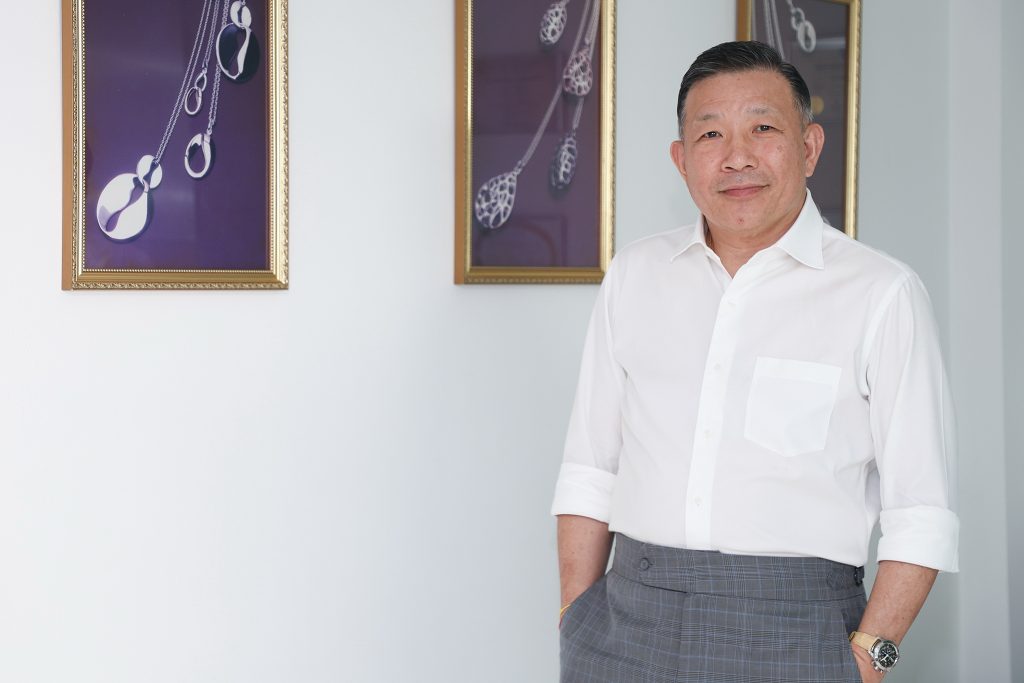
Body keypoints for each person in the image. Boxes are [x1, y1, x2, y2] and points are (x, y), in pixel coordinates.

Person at [551, 41, 958, 683]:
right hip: (624, 626)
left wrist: (867, 661)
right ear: (682, 160)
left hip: (798, 632)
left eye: (763, 128)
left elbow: (921, 511)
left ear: (810, 147)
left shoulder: (881, 293)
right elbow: (590, 467)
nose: (737, 156)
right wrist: (576, 619)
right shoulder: (636, 274)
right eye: (710, 134)